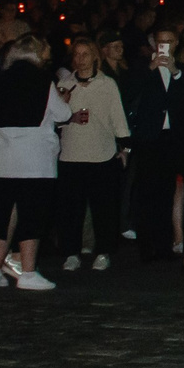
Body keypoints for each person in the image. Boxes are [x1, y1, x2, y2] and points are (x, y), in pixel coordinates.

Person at [0, 37, 69, 291]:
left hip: (4, 154)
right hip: (34, 157)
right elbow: (62, 114)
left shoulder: (0, 78)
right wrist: (62, 99)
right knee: (32, 213)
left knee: (3, 213)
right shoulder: (42, 80)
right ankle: (28, 272)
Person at [53, 38, 130, 273]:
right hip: (71, 155)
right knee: (71, 210)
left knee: (103, 208)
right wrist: (68, 116)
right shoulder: (64, 84)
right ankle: (71, 253)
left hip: (101, 154)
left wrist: (125, 147)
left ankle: (104, 251)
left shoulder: (107, 84)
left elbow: (118, 117)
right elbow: (54, 118)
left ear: (95, 56)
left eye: (85, 54)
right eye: (77, 55)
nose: (81, 59)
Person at [122, 30, 184, 265]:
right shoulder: (141, 67)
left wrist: (175, 72)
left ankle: (164, 245)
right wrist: (150, 68)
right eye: (161, 42)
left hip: (171, 140)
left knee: (167, 192)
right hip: (148, 138)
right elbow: (128, 92)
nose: (165, 46)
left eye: (170, 41)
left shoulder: (183, 70)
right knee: (146, 192)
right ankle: (146, 246)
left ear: (177, 43)